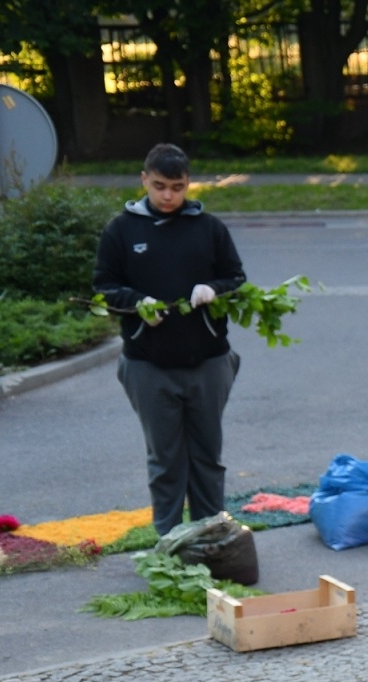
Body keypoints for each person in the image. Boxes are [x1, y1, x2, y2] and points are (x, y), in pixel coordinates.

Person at [95, 143, 247, 536]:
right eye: (159, 186)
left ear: (188, 185)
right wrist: (136, 302)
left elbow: (236, 279)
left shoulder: (209, 228)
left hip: (209, 362)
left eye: (177, 187)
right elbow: (105, 287)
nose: (167, 196)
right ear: (144, 179)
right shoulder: (121, 230)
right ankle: (168, 542)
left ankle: (211, 535)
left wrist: (214, 288)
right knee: (165, 460)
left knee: (207, 457)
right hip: (147, 364)